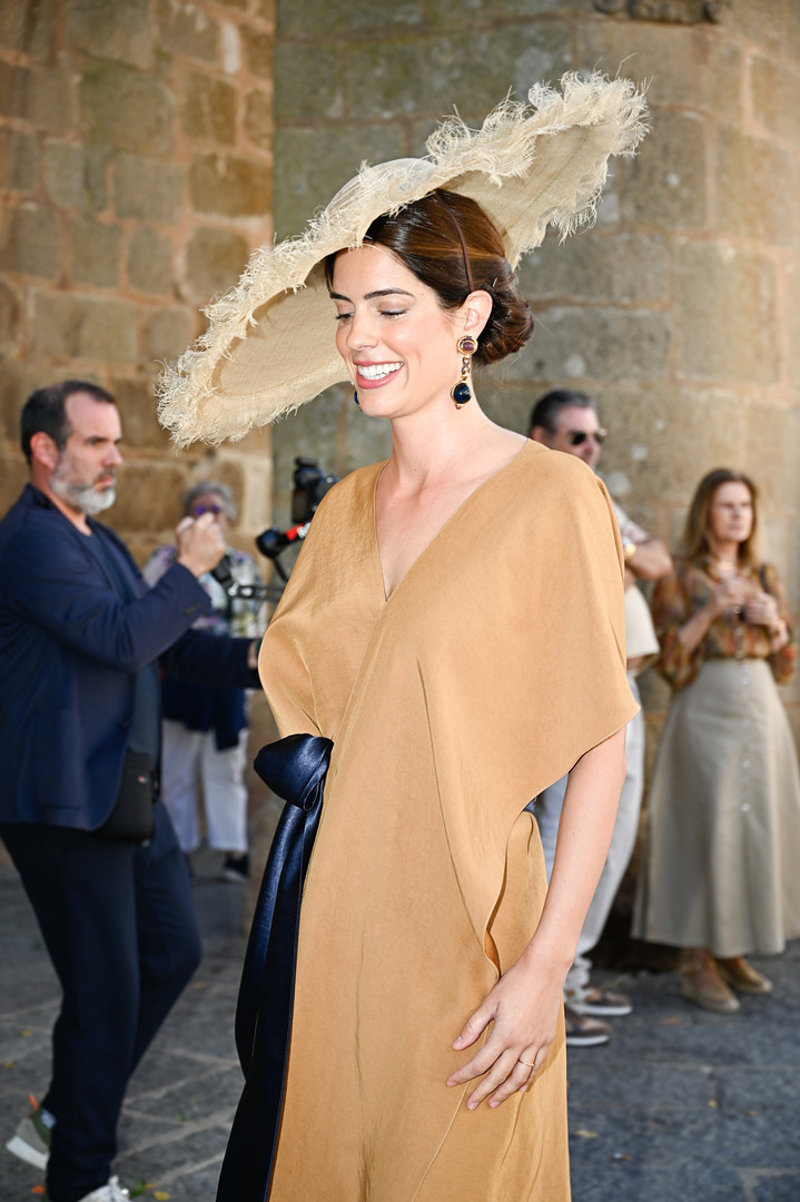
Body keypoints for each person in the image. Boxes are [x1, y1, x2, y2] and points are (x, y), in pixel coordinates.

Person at [159, 75, 647, 1201]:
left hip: (471, 925)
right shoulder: (339, 512)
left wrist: (545, 966)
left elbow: (599, 744)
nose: (357, 339)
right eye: (344, 310)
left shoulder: (552, 498)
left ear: (466, 318)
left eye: (388, 308)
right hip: (326, 910)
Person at [0, 380, 261, 1202]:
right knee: (106, 991)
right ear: (46, 450)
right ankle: (80, 1175)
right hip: (65, 804)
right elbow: (121, 639)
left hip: (124, 794)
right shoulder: (32, 542)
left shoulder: (99, 538)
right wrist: (188, 570)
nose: (116, 457)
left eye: (116, 441)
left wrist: (267, 659)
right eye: (97, 442)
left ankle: (61, 1116)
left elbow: (166, 647)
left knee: (174, 952)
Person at [529, 389, 672, 1046]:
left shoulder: (597, 499)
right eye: (578, 437)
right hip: (572, 686)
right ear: (542, 438)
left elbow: (658, 559)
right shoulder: (535, 491)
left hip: (625, 687)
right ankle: (544, 987)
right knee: (563, 833)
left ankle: (574, 973)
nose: (592, 448)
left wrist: (615, 552)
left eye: (597, 438)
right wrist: (619, 558)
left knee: (611, 838)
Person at [633, 468, 800, 1013]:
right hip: (705, 709)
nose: (737, 515)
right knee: (707, 826)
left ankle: (732, 948)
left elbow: (785, 667)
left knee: (754, 825)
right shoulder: (680, 574)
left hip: (761, 712)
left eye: (744, 506)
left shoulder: (765, 574)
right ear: (707, 511)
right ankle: (696, 959)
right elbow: (667, 664)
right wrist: (708, 612)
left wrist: (776, 626)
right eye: (727, 505)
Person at [144, 481, 264, 881]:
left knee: (225, 767)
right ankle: (179, 851)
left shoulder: (242, 564)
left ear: (228, 519)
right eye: (200, 510)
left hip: (226, 677)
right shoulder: (165, 560)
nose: (209, 517)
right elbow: (149, 614)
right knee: (176, 768)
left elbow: (252, 625)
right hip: (180, 675)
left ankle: (233, 851)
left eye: (216, 510)